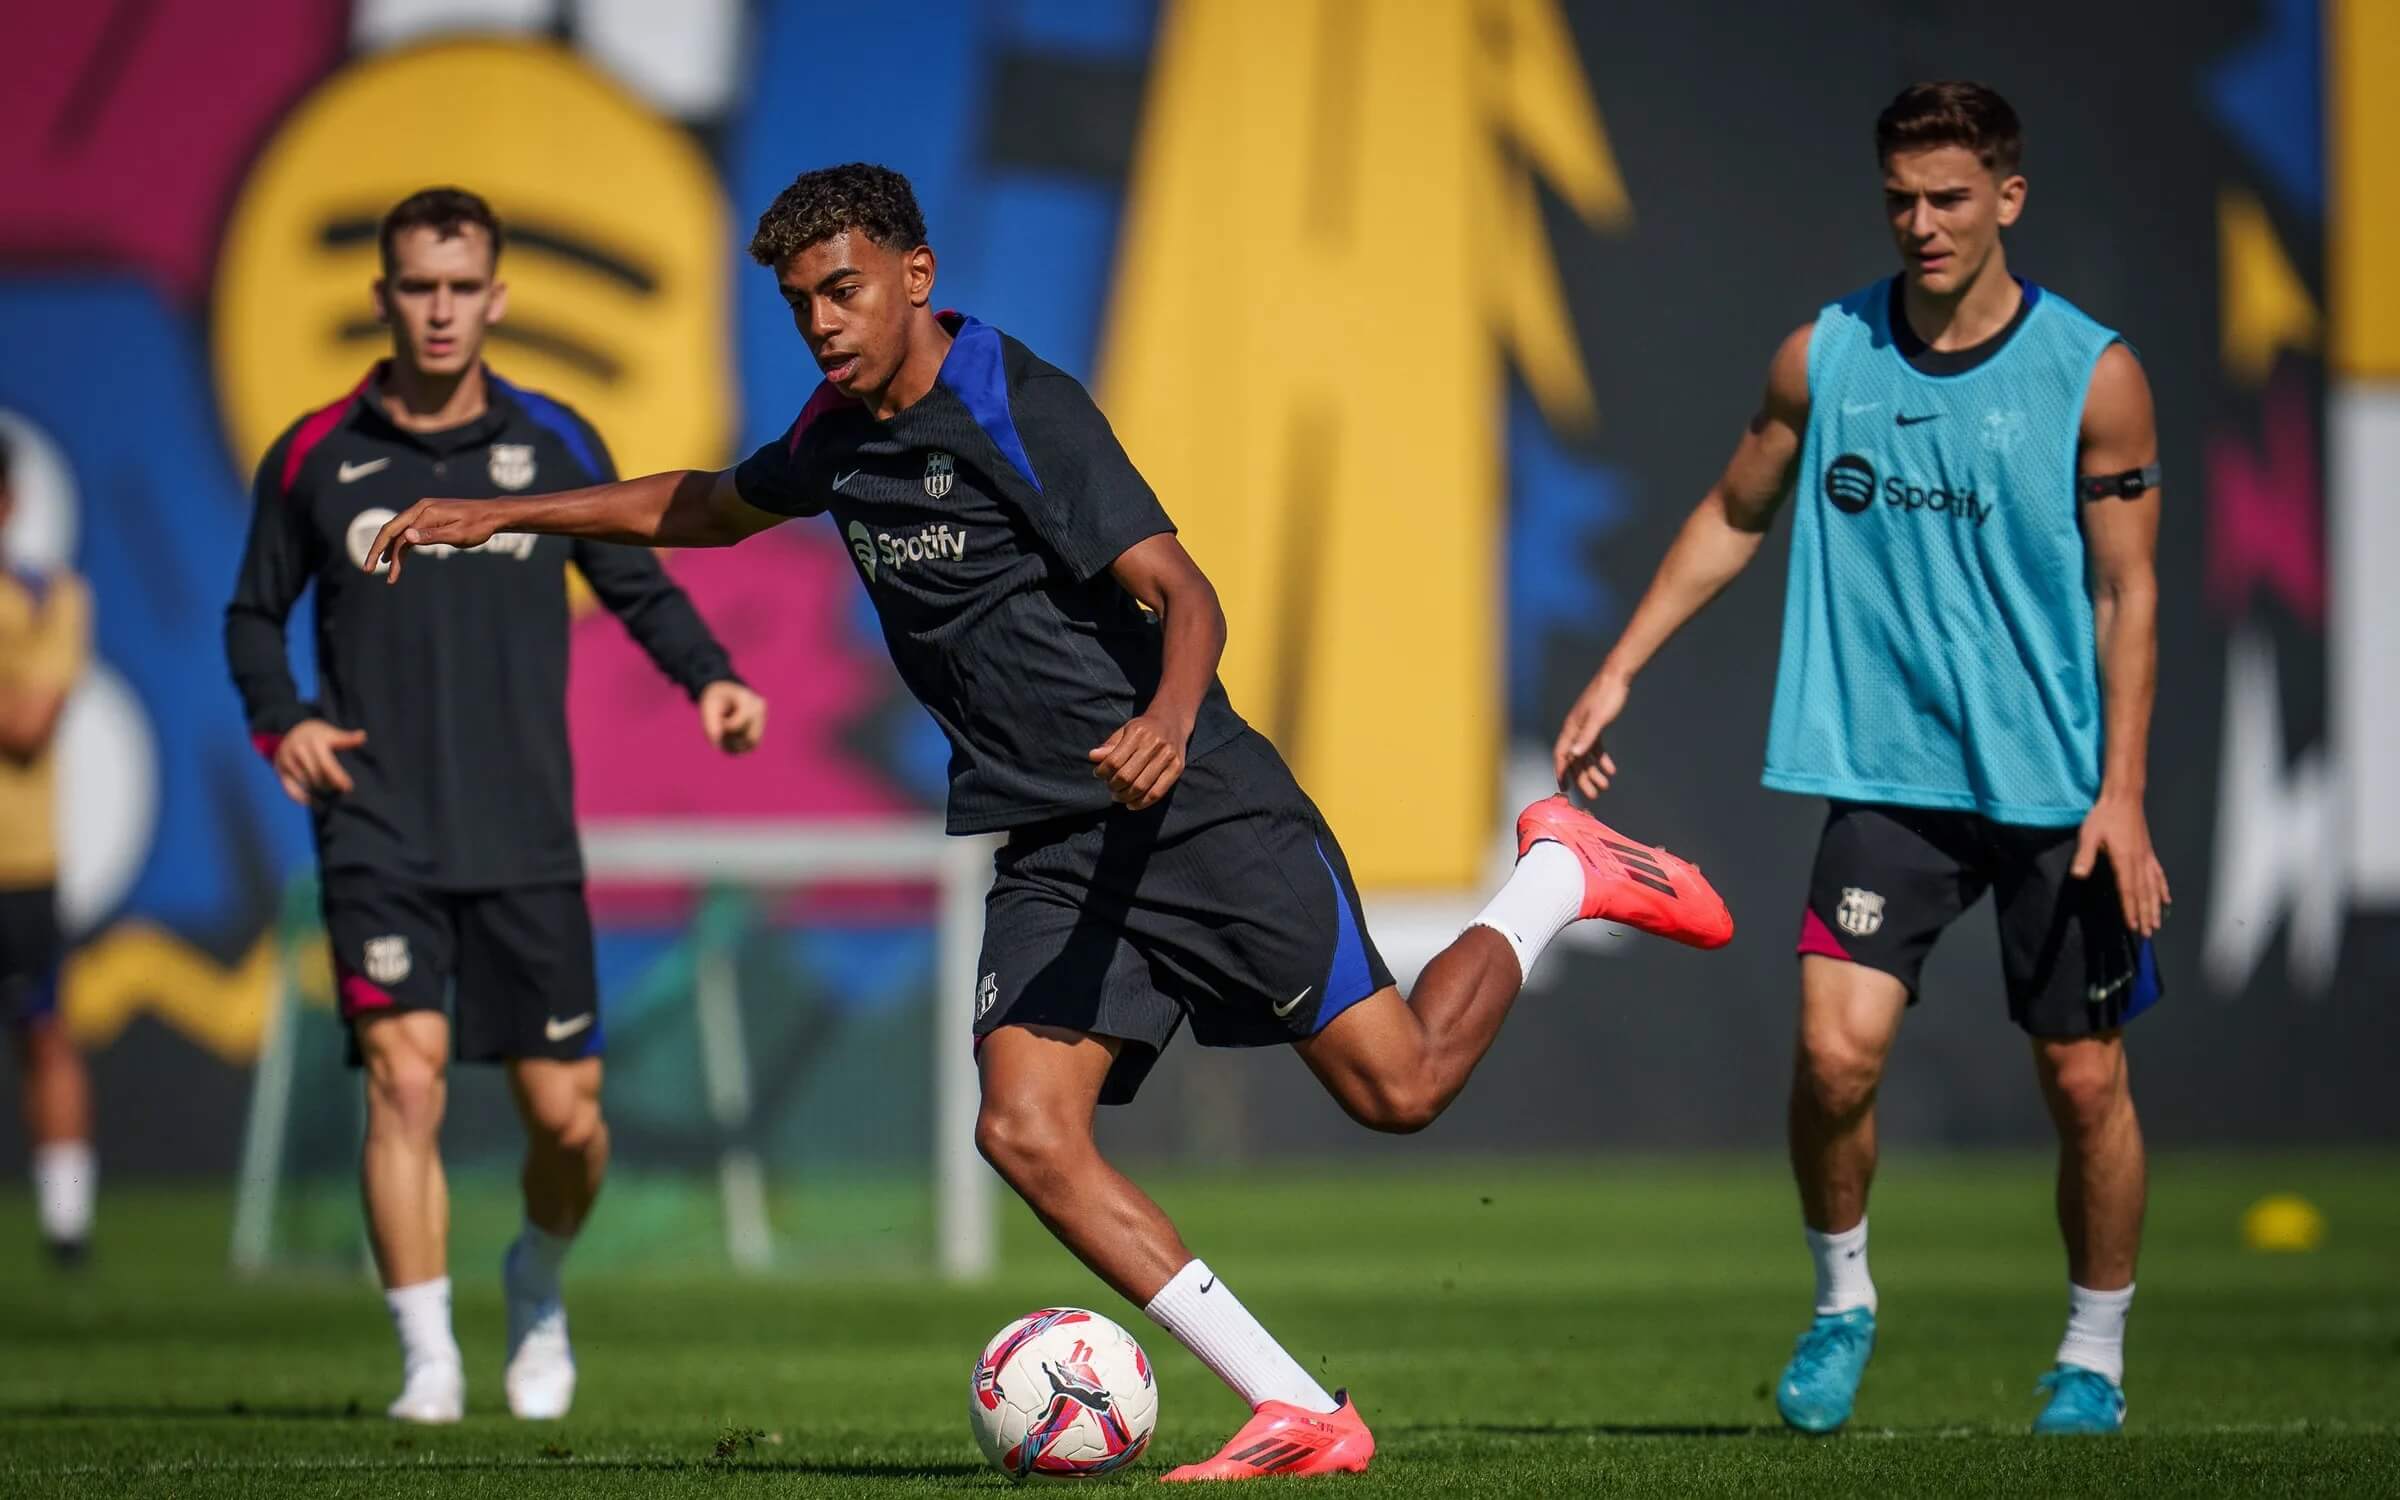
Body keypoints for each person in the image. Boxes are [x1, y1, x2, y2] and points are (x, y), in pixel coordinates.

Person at [362, 163, 1732, 1481]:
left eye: (843, 291)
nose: (823, 324)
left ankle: (1559, 872)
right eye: (800, 304)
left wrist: (1170, 723)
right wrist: (498, 515)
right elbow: (712, 504)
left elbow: (1186, 595)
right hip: (1057, 842)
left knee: (1403, 1089)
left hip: (1195, 806)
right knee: (1022, 1130)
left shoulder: (1014, 399)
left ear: (915, 274)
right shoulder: (840, 436)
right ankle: (1298, 1409)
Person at [1553, 82, 2168, 1437]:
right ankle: (1842, 1306)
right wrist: (1620, 665)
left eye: (1950, 198)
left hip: (2056, 790)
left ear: (2009, 197)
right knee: (1835, 1062)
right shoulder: (1824, 356)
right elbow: (1733, 508)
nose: (1922, 224)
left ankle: (2094, 1351)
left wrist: (2122, 795)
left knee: (2084, 1081)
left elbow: (2130, 594)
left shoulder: (2094, 373)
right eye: (1901, 199)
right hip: (1888, 779)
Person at [224, 187, 767, 1425]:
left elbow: (640, 582)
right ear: (383, 297)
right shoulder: (316, 454)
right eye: (418, 285)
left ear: (498, 298)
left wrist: (714, 680)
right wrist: (284, 719)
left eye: (462, 287)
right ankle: (428, 1361)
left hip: (524, 833)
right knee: (403, 1084)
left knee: (568, 1122)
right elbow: (252, 614)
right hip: (378, 823)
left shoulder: (554, 438)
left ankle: (535, 1278)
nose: (440, 310)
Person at [0, 429, 99, 1267]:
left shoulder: (48, 597)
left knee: (43, 1032)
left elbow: (28, 725)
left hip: (18, 860)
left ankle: (67, 1225)